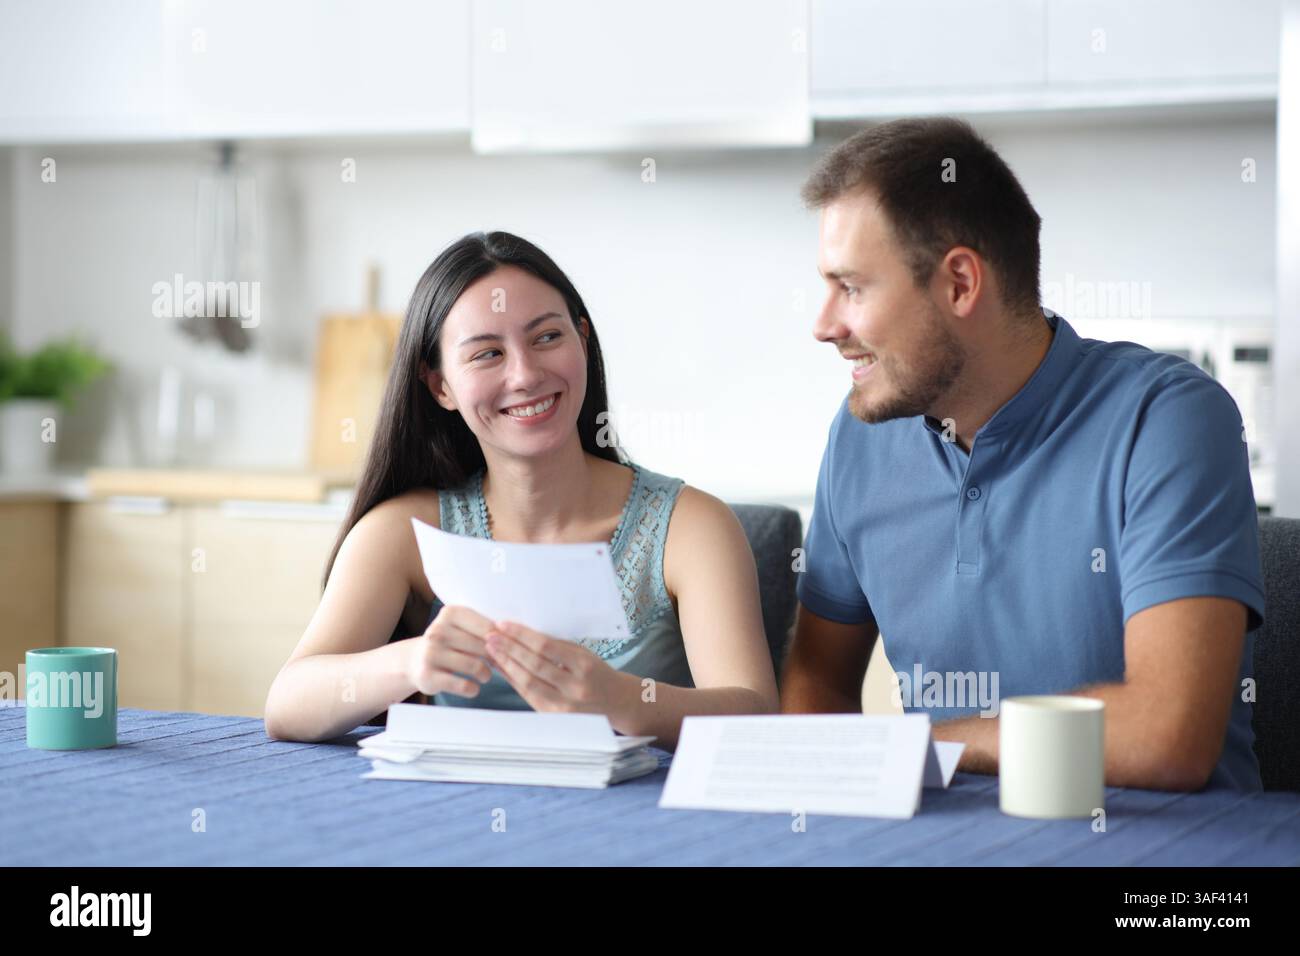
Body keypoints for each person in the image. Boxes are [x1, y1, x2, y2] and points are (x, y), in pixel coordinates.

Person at [781, 117, 1265, 791]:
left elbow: (1165, 736)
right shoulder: (861, 434)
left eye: (852, 288)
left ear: (959, 284)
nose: (824, 325)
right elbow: (815, 689)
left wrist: (925, 745)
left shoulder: (1168, 420)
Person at [265, 231, 777, 746]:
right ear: (441, 386)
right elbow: (287, 706)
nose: (526, 374)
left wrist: (619, 699)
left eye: (547, 337)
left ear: (582, 339)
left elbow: (755, 717)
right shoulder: (408, 532)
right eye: (487, 353)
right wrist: (408, 662)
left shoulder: (692, 527)